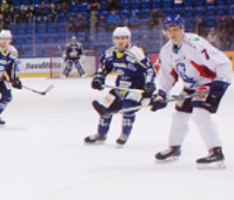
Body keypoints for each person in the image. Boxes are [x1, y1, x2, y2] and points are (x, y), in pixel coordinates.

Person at [148, 14, 232, 168]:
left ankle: (216, 152)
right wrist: (161, 94)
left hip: (209, 82)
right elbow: (167, 76)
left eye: (176, 29)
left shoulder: (195, 43)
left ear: (182, 29)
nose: (173, 34)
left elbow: (222, 61)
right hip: (190, 86)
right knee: (179, 115)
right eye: (169, 30)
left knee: (200, 115)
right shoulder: (166, 51)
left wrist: (221, 81)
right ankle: (174, 148)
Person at [86, 26, 153, 146]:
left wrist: (149, 85)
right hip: (120, 87)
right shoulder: (109, 53)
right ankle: (101, 134)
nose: (120, 41)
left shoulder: (136, 52)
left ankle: (125, 133)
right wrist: (98, 79)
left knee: (127, 108)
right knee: (105, 108)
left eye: (123, 38)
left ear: (128, 39)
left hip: (136, 88)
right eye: (117, 38)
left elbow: (149, 70)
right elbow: (103, 69)